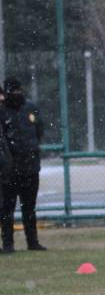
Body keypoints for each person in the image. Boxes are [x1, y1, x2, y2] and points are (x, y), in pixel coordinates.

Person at [1, 77, 46, 253]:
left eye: (19, 91)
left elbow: (39, 130)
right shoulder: (3, 111)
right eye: (14, 91)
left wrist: (30, 150)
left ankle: (32, 242)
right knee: (7, 208)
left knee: (29, 207)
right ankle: (8, 243)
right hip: (9, 169)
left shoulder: (30, 108)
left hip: (30, 166)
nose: (17, 94)